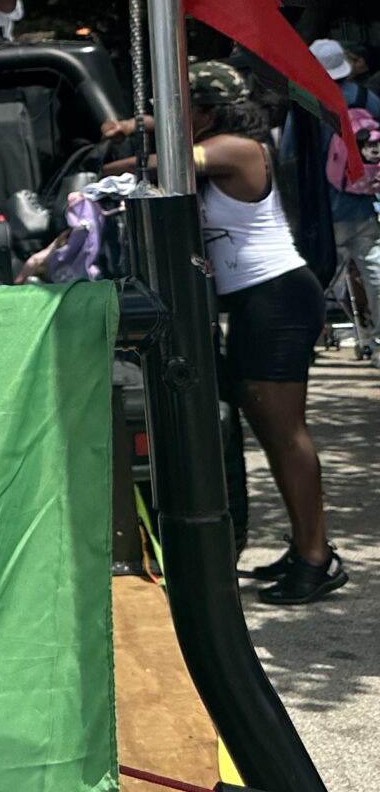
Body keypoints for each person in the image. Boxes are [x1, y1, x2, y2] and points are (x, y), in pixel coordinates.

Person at [101, 59, 338, 602]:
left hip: (278, 298)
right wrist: (131, 124)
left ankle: (317, 557)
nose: (174, 116)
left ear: (207, 110)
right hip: (258, 304)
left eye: (183, 107)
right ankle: (307, 546)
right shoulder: (222, 141)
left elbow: (164, 162)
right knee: (269, 430)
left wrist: (125, 144)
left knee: (286, 433)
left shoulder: (236, 149)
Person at [311, 37, 380, 349]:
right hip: (367, 202)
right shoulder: (368, 98)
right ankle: (377, 341)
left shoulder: (309, 104)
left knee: (320, 275)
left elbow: (289, 156)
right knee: (374, 271)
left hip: (325, 207)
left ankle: (316, 336)